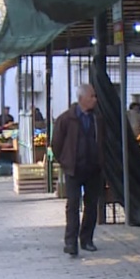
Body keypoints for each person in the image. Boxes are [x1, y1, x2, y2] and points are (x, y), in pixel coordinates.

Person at [53, 84, 104, 256]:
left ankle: (87, 239)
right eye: (92, 96)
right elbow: (56, 144)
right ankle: (70, 242)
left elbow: (103, 141)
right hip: (74, 168)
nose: (95, 100)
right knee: (73, 205)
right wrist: (65, 160)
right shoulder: (66, 119)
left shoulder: (97, 118)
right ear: (82, 98)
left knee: (91, 205)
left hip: (93, 168)